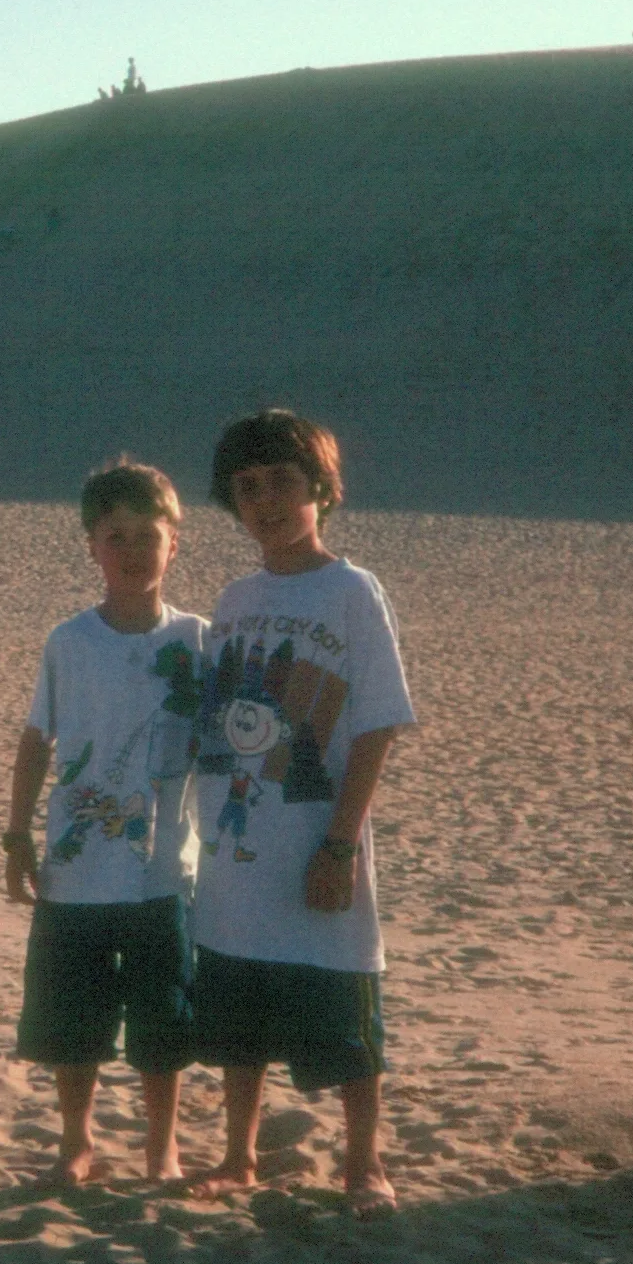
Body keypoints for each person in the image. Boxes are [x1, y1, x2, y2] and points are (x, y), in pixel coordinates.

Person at [187, 409, 415, 1218]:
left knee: (343, 1002)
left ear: (319, 487)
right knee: (238, 1005)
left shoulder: (352, 590)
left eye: (282, 481)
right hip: (240, 843)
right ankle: (240, 1155)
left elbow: (380, 721)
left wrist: (342, 843)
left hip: (318, 840)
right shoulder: (237, 596)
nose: (266, 501)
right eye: (247, 488)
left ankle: (363, 1164)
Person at [5, 460, 207, 1185]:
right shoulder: (69, 641)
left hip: (163, 870)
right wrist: (15, 835)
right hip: (75, 868)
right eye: (114, 535)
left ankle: (162, 1147)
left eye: (147, 536)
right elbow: (37, 740)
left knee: (163, 1019)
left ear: (174, 543)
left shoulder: (198, 640)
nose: (131, 551)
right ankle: (76, 1142)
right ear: (91, 545)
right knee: (72, 1021)